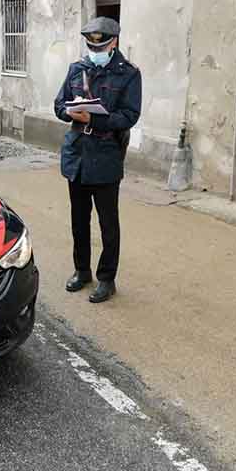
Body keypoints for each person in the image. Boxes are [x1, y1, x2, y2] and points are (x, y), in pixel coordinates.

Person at [53, 16, 142, 303]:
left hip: (105, 156)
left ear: (113, 42)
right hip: (77, 154)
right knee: (79, 220)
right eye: (91, 45)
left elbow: (129, 116)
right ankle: (82, 271)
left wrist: (94, 118)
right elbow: (58, 104)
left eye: (101, 45)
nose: (95, 50)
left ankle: (107, 278)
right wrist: (70, 113)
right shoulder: (77, 69)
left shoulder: (128, 74)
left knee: (108, 224)